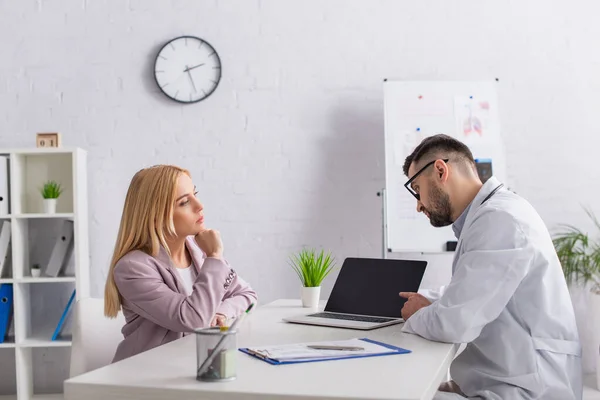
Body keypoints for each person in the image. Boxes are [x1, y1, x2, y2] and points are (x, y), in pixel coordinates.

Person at [398, 134, 582, 399]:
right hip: (504, 375)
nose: (418, 205)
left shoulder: (499, 219)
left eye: (417, 189)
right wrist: (427, 298)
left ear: (440, 170)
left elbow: (454, 324)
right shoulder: (494, 213)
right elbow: (469, 290)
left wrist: (416, 314)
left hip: (527, 387)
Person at [104, 165, 257, 363]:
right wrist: (214, 256)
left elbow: (247, 296)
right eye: (184, 202)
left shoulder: (200, 254)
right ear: (156, 215)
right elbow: (193, 319)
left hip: (193, 369)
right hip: (146, 379)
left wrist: (220, 312)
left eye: (195, 194)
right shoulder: (133, 268)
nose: (199, 205)